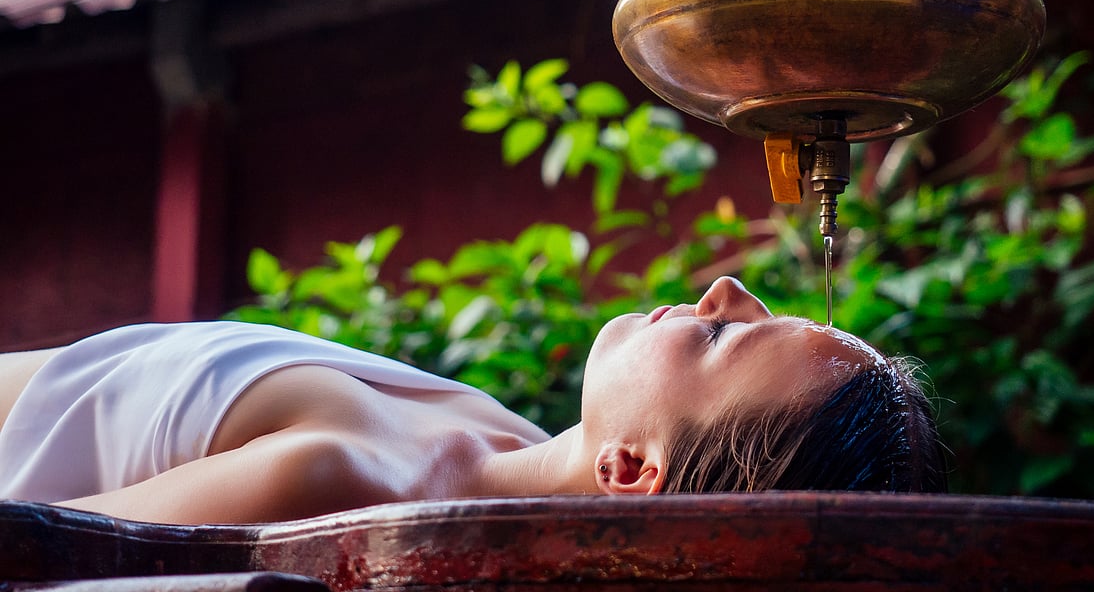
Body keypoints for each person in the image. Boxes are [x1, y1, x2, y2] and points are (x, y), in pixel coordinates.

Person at [0, 276, 947, 525]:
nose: (726, 290)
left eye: (720, 337)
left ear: (633, 468)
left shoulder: (337, 479)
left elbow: (32, 555)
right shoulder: (510, 447)